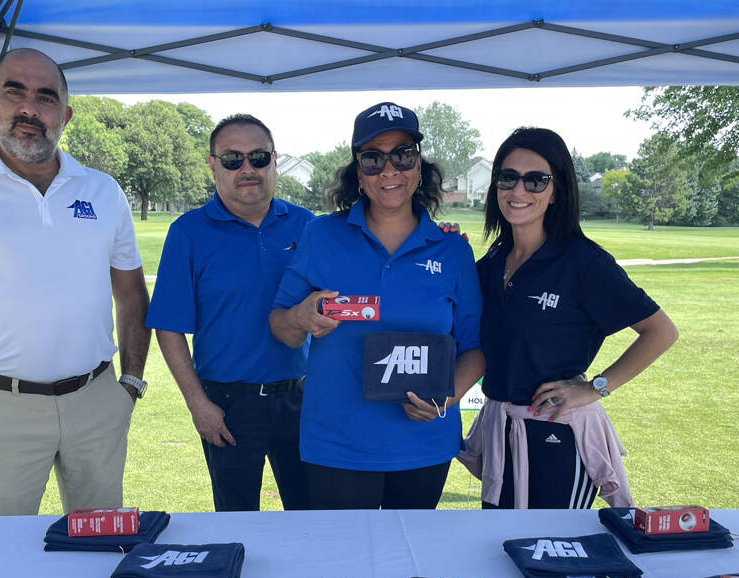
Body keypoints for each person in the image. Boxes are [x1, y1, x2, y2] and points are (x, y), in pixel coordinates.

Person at [0, 48, 150, 516]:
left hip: (96, 400)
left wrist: (131, 383)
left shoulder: (103, 190)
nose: (29, 109)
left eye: (46, 97)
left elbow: (133, 295)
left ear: (66, 114)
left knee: (102, 548)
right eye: (15, 91)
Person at [270, 102, 485, 510]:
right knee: (344, 570)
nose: (389, 170)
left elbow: (474, 347)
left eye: (402, 155)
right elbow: (280, 324)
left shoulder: (453, 251)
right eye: (372, 159)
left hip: (424, 443)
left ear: (419, 166)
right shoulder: (321, 235)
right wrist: (300, 317)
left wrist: (448, 397)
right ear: (358, 173)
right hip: (338, 445)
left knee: (411, 565)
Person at [459, 127, 678, 509]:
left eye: (536, 180)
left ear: (556, 191)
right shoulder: (493, 262)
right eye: (507, 178)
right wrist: (449, 250)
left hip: (558, 435)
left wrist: (594, 388)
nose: (519, 191)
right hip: (502, 431)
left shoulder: (583, 263)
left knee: (555, 556)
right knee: (500, 551)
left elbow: (660, 331)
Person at [146, 114, 313, 512]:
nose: (247, 169)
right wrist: (197, 404)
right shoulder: (189, 232)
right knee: (236, 520)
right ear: (213, 164)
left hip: (303, 398)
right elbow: (168, 327)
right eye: (232, 159)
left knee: (313, 516)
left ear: (275, 160)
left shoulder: (308, 225)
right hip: (226, 403)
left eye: (257, 157)